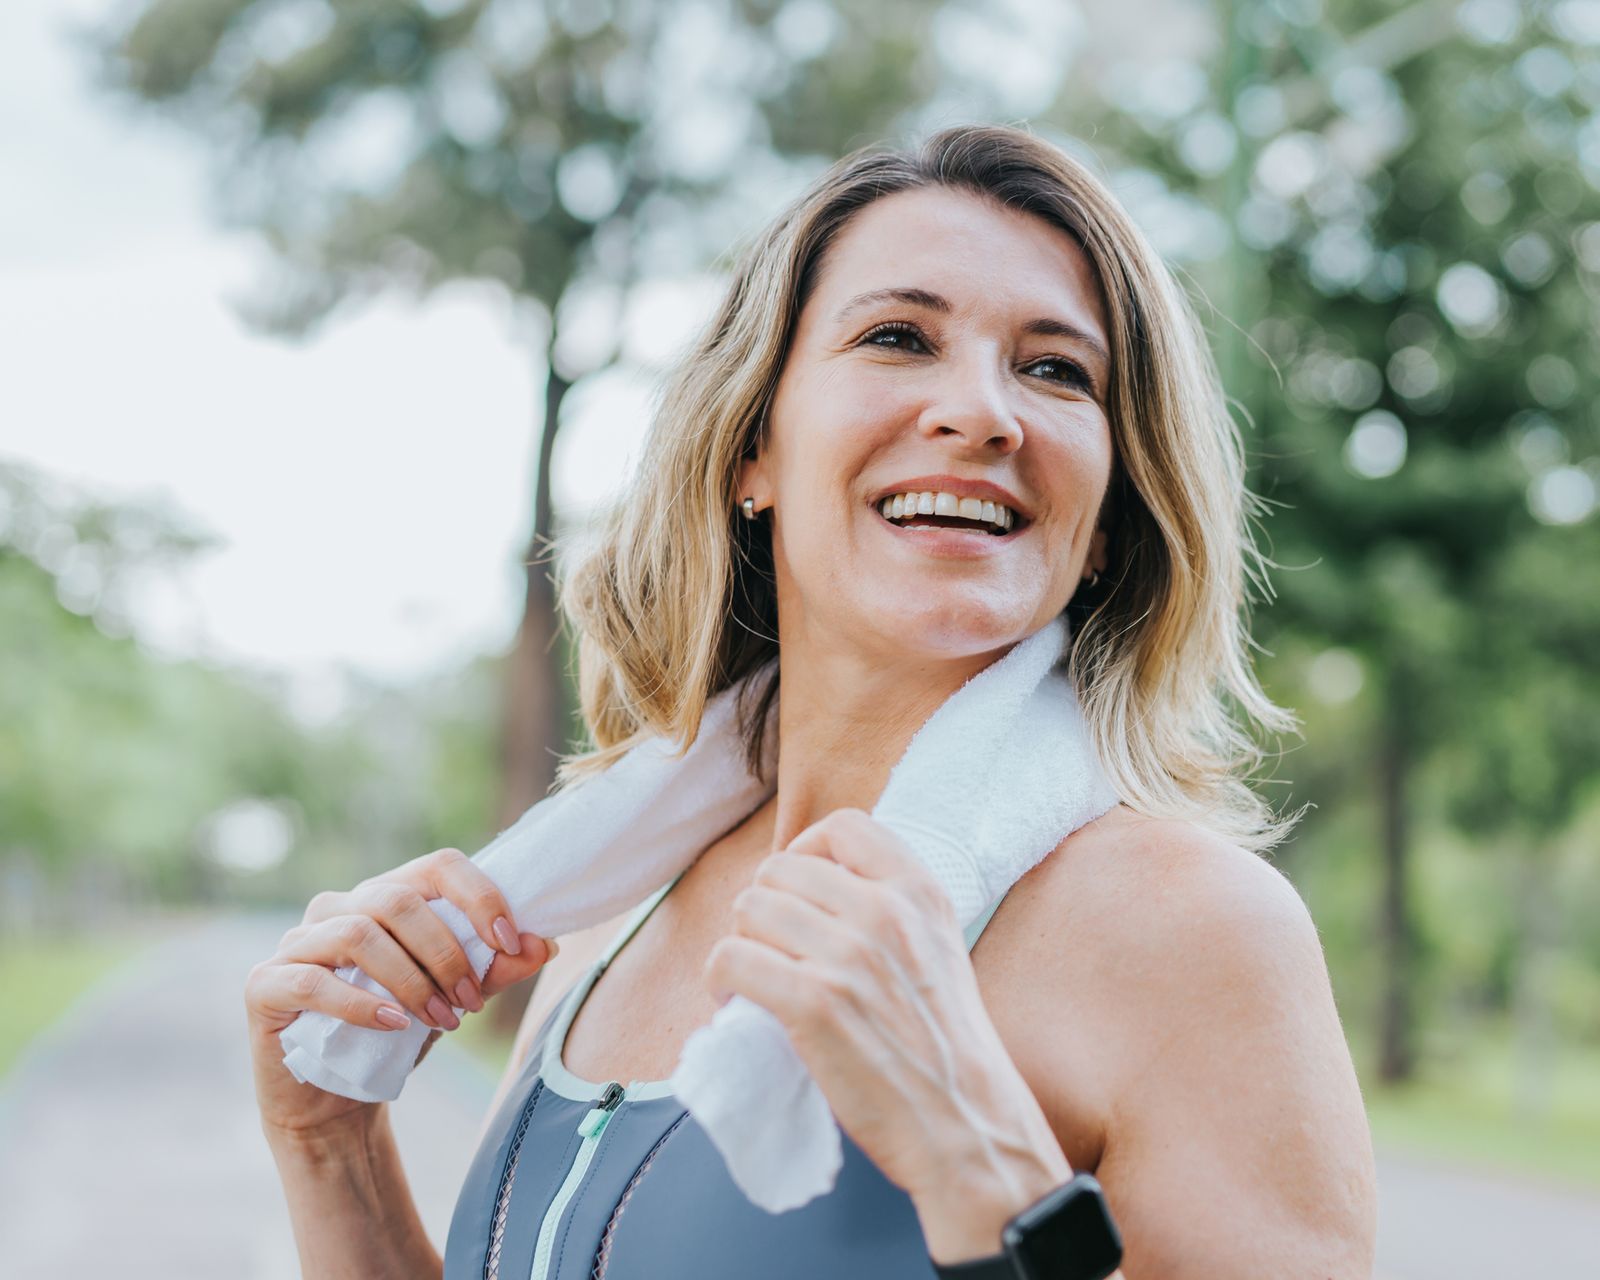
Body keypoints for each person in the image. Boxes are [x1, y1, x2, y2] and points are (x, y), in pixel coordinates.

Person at [243, 123, 1376, 1279]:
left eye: (1055, 369)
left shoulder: (1196, 931)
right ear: (754, 450)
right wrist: (328, 1144)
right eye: (898, 337)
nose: (983, 412)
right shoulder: (606, 904)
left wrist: (977, 1157)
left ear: (1106, 521)